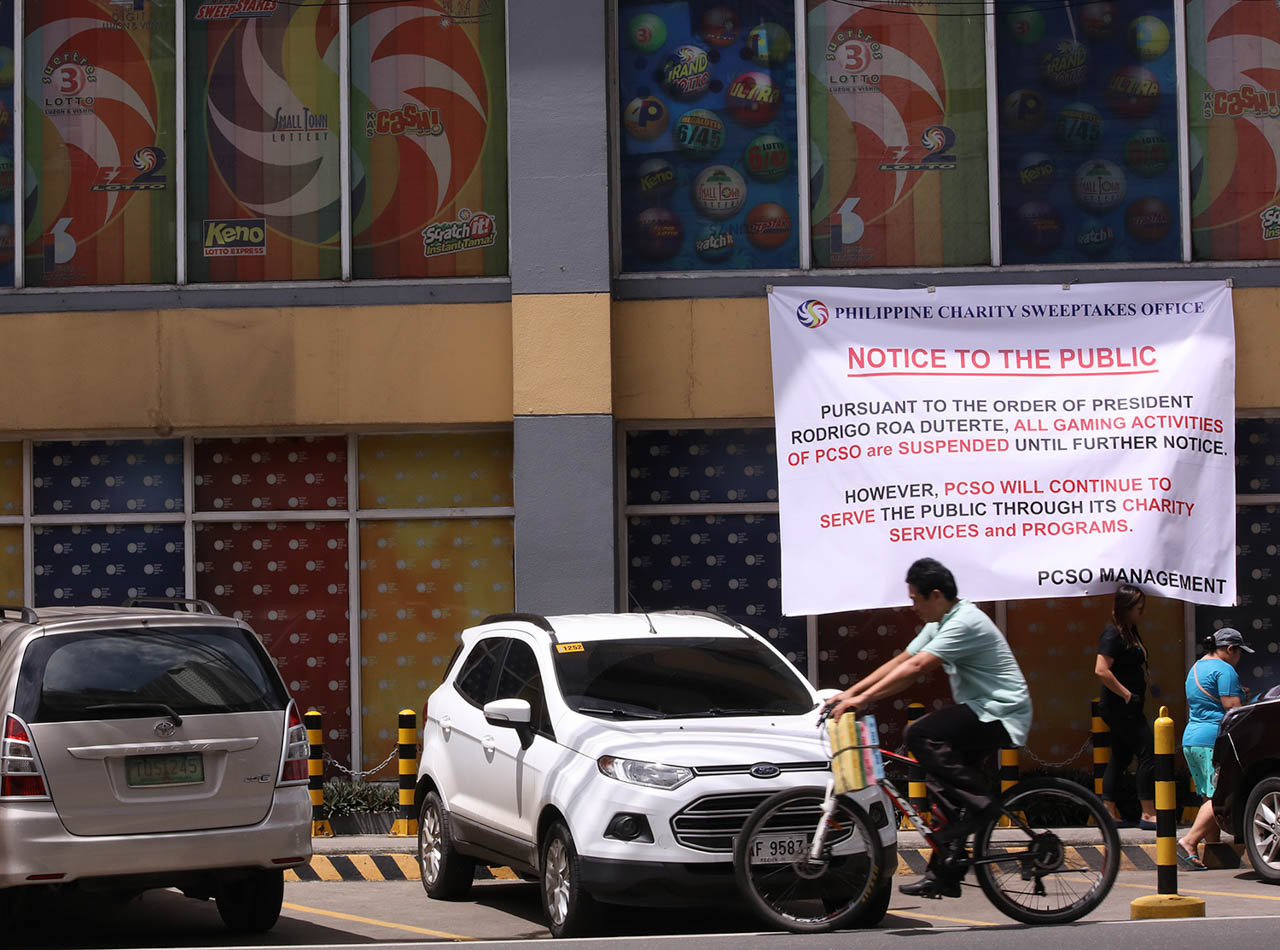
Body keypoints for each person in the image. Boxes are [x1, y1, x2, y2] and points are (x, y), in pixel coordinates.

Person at [826, 557, 1032, 899]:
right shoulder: (942, 620)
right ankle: (946, 873)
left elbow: (919, 666)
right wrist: (848, 694)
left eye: (914, 599)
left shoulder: (963, 622)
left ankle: (983, 805)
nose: (912, 607)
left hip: (1001, 711)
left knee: (919, 734)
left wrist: (863, 701)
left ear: (935, 595)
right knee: (941, 781)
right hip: (982, 711)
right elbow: (902, 660)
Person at [1176, 627, 1252, 870]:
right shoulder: (1225, 669)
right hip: (1213, 739)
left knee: (1210, 794)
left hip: (1192, 739)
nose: (1239, 658)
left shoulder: (1196, 667)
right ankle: (1189, 841)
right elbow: (1233, 710)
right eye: (1239, 652)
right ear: (1230, 649)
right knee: (1220, 794)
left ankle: (1213, 846)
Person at [1093, 584, 1157, 829]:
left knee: (1120, 757)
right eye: (1138, 607)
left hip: (1130, 706)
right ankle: (1148, 813)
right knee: (1148, 752)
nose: (1142, 611)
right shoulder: (1113, 634)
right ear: (1125, 608)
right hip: (1120, 707)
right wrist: (1127, 694)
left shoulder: (1131, 631)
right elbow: (1101, 669)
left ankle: (1108, 810)